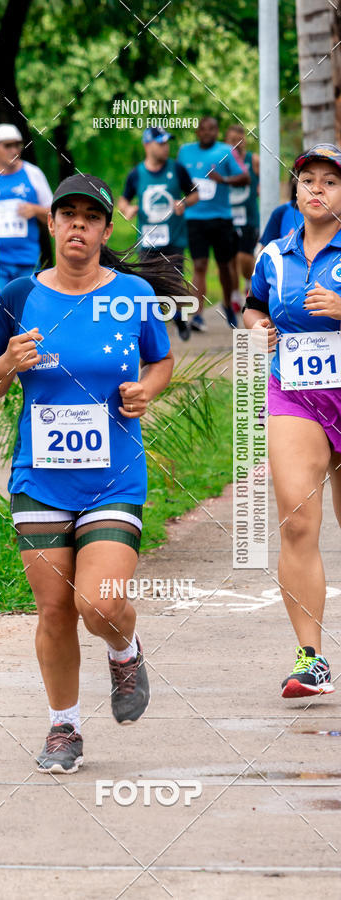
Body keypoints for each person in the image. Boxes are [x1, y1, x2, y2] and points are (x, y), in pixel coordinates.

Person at [0, 174, 181, 773]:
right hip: (40, 478)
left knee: (99, 604)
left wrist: (146, 390)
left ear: (106, 230)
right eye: (68, 215)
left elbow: (161, 358)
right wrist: (7, 362)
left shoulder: (134, 294)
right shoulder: (18, 295)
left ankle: (124, 648)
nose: (78, 226)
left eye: (91, 218)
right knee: (55, 610)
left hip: (114, 476)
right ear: (52, 224)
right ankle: (64, 727)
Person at [243, 143, 341, 698]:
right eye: (308, 180)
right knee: (298, 521)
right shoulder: (274, 254)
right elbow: (253, 305)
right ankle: (311, 659)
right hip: (296, 392)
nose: (317, 189)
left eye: (330, 181)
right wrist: (256, 328)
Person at [118, 126, 198, 341]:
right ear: (147, 145)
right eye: (161, 143)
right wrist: (127, 209)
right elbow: (123, 200)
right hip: (148, 239)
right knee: (147, 284)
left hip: (174, 237)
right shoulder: (136, 174)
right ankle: (151, 328)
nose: (166, 147)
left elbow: (195, 194)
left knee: (174, 281)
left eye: (167, 142)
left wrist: (184, 203)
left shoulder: (177, 169)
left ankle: (179, 318)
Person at [0, 124, 53, 315]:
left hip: (27, 258)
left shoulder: (33, 174)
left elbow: (55, 214)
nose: (14, 150)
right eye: (7, 145)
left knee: (27, 318)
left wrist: (35, 210)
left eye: (17, 145)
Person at [178, 116, 250, 330]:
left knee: (224, 266)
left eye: (212, 129)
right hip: (194, 218)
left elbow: (245, 177)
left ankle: (227, 304)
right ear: (197, 132)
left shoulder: (226, 151)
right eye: (203, 129)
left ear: (217, 132)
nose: (207, 132)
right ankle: (198, 315)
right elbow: (178, 179)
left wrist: (223, 180)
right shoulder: (185, 151)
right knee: (199, 265)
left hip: (221, 218)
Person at [225, 124, 260, 312]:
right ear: (226, 141)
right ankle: (234, 295)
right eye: (232, 141)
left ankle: (248, 282)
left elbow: (266, 179)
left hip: (249, 217)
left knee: (244, 256)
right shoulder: (222, 161)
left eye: (239, 141)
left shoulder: (253, 160)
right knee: (230, 259)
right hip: (227, 217)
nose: (236, 145)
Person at [259, 173, 304, 248]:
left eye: (325, 181)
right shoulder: (281, 212)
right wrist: (281, 248)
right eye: (308, 181)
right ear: (295, 182)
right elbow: (264, 252)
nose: (316, 188)